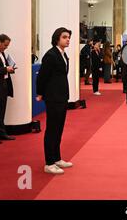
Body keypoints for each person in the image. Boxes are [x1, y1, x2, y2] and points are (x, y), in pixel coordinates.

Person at [36, 27, 73, 175]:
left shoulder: (63, 54)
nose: (68, 39)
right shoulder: (50, 55)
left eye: (69, 37)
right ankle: (49, 163)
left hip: (62, 96)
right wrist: (40, 93)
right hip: (53, 97)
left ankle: (57, 158)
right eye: (64, 37)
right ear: (57, 38)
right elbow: (42, 76)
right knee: (52, 129)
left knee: (59, 129)